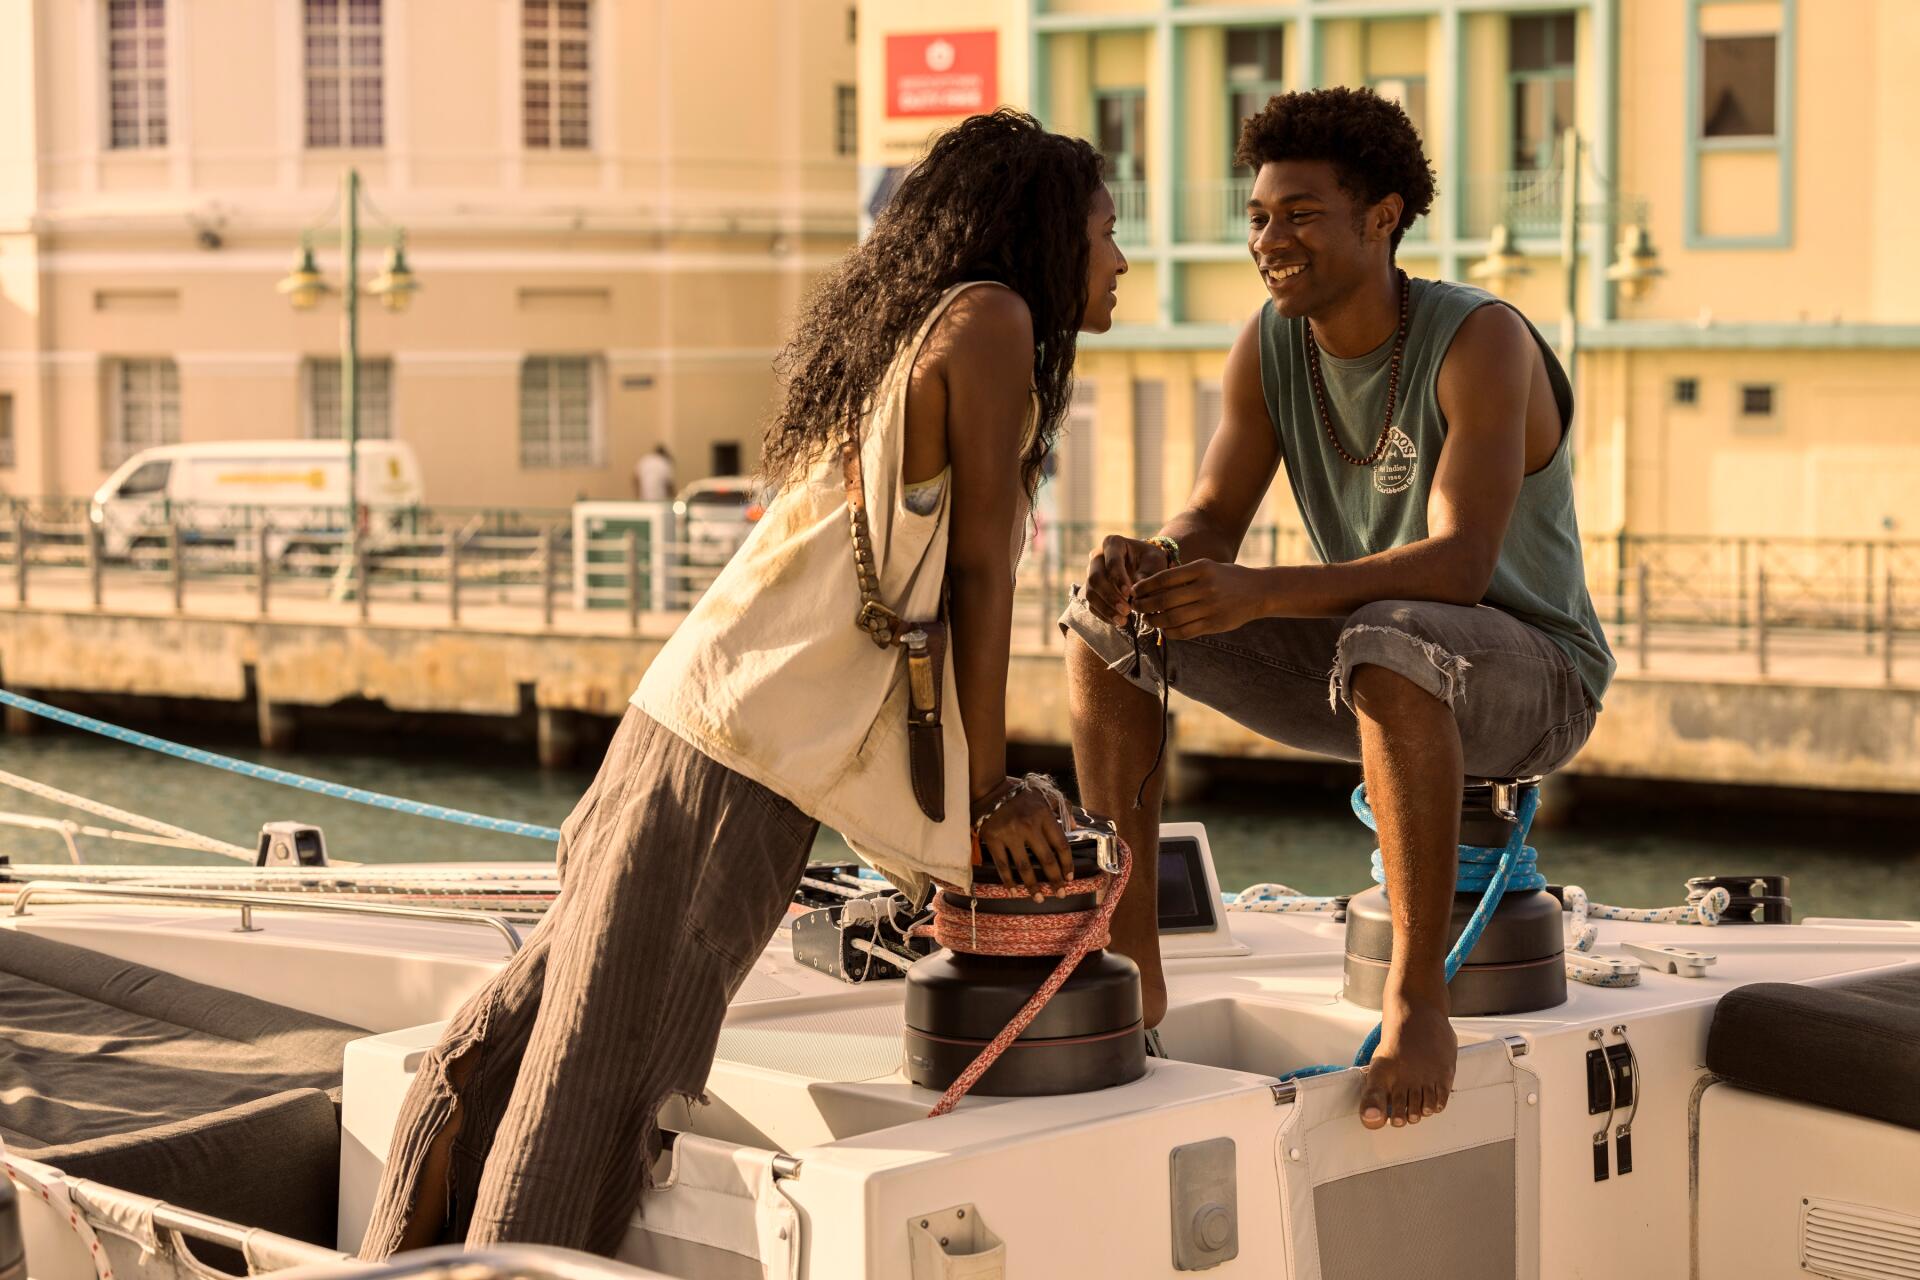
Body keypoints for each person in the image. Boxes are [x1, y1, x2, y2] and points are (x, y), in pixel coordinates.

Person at [359, 109, 1127, 1258]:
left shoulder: (932, 325)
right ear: (1045, 234)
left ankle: (392, 1251)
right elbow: (974, 579)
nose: (1120, 263)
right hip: (731, 766)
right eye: (1108, 234)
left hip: (690, 732)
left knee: (532, 1036)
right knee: (602, 1080)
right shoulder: (993, 321)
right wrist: (981, 789)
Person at [1062, 87, 1612, 1131]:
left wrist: (1257, 591)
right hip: (1381, 670)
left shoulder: (1481, 339)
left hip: (1535, 677)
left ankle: (1417, 1002)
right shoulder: (1269, 345)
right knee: (1109, 631)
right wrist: (1157, 559)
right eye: (1261, 214)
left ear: (1382, 218)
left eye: (1300, 213)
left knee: (1390, 635)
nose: (1270, 238)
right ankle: (1130, 963)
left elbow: (1456, 563)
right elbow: (1215, 513)